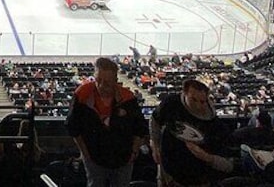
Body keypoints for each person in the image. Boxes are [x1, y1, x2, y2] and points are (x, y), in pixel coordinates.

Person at [66, 57, 147, 187]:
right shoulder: (82, 95)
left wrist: (134, 151)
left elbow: (140, 128)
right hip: (93, 159)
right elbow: (73, 127)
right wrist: (85, 153)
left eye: (107, 82)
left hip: (123, 159)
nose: (101, 86)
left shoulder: (128, 98)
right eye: (98, 80)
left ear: (115, 81)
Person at [150, 78, 232, 186]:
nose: (198, 106)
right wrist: (155, 144)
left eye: (202, 102)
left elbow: (228, 165)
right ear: (184, 93)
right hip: (167, 170)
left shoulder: (214, 124)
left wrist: (207, 157)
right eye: (193, 99)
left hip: (198, 177)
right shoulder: (171, 103)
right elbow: (155, 120)